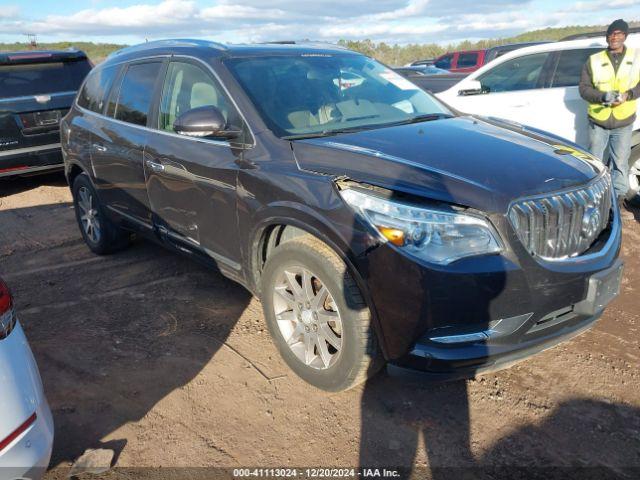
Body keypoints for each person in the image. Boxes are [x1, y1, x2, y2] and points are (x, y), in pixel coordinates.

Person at [579, 19, 640, 206]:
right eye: (611, 34)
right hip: (599, 119)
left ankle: (616, 200)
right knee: (594, 162)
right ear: (607, 37)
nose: (615, 37)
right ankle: (595, 198)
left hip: (623, 120)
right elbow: (584, 89)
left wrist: (628, 95)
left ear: (625, 36)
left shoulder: (636, 58)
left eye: (619, 33)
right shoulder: (594, 60)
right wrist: (603, 97)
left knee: (621, 163)